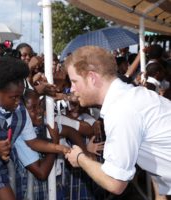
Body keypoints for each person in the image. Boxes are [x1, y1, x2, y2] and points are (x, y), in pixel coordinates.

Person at [64, 46, 171, 196]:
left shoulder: (121, 109)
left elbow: (115, 183)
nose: (72, 89)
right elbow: (157, 158)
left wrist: (80, 158)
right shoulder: (133, 97)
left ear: (92, 78)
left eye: (74, 81)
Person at [0, 57, 70, 200]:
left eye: (19, 96)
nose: (18, 101)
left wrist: (58, 148)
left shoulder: (20, 110)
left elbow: (32, 142)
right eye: (13, 97)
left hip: (4, 169)